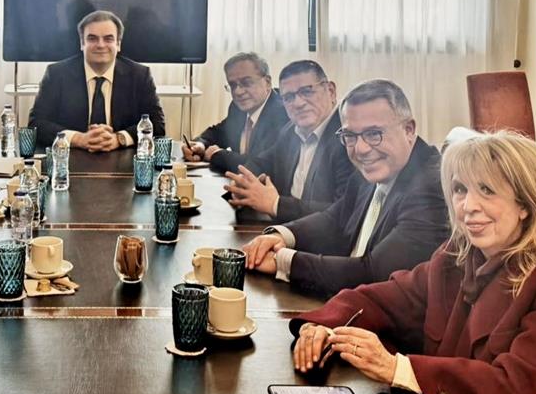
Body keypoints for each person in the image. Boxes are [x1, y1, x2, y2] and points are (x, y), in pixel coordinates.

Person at [289, 132, 536, 394]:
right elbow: (385, 298)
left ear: (525, 204)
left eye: (487, 190)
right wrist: (321, 327)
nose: (468, 207)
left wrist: (397, 368)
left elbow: (513, 391)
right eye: (460, 190)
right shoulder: (459, 254)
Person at [241, 79, 448, 297]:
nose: (361, 149)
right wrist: (282, 236)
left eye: (373, 134)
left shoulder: (432, 186)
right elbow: (336, 218)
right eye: (350, 136)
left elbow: (374, 274)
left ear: (409, 130)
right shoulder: (372, 169)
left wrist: (282, 261)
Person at [224, 60, 354, 222]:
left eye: (306, 91)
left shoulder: (349, 139)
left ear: (331, 91)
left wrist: (276, 204)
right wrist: (243, 183)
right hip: (285, 226)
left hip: (319, 235)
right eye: (289, 97)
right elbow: (263, 161)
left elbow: (344, 213)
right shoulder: (290, 130)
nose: (298, 103)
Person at [29, 10, 165, 150]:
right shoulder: (57, 74)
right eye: (92, 38)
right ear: (82, 43)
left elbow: (157, 124)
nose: (100, 45)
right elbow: (36, 123)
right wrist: (78, 139)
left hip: (124, 158)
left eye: (108, 39)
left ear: (118, 44)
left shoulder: (139, 75)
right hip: (71, 156)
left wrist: (119, 138)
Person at [181, 52, 288, 174]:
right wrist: (200, 145)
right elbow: (219, 132)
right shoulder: (238, 107)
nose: (238, 92)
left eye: (246, 83)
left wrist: (217, 155)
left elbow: (260, 166)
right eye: (232, 85)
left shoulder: (283, 112)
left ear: (267, 82)